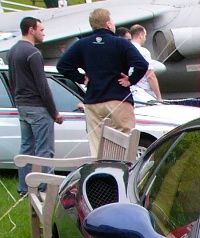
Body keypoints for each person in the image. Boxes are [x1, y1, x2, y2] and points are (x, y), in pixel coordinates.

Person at [56, 7, 149, 157]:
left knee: (97, 145)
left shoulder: (82, 44)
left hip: (94, 100)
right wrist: (130, 80)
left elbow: (62, 65)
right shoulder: (121, 43)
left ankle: (99, 175)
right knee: (123, 142)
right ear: (108, 24)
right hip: (118, 98)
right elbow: (141, 64)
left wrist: (82, 78)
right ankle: (120, 174)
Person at [8, 17, 64, 196]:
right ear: (31, 30)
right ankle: (44, 188)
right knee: (44, 150)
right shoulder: (33, 53)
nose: (44, 33)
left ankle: (24, 188)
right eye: (41, 29)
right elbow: (42, 85)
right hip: (38, 107)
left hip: (22, 106)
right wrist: (54, 112)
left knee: (26, 148)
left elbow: (11, 81)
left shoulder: (12, 51)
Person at [129, 24, 162, 100]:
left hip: (128, 93)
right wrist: (159, 97)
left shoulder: (124, 50)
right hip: (143, 93)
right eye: (145, 36)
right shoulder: (144, 51)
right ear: (141, 35)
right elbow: (150, 76)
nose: (145, 39)